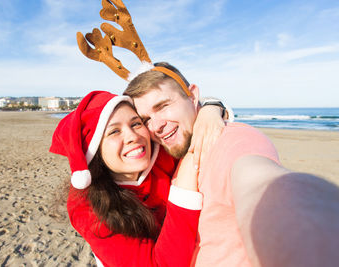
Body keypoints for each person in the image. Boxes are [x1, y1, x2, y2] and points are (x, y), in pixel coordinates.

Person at [124, 62, 339, 267]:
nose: (156, 126)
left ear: (192, 96)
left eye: (163, 106)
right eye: (145, 120)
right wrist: (212, 105)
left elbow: (261, 185)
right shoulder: (171, 155)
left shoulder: (234, 140)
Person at [49, 90, 225, 267]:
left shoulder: (161, 155)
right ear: (95, 150)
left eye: (135, 124)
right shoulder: (86, 206)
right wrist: (184, 184)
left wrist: (211, 110)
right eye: (114, 132)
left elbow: (191, 113)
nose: (133, 136)